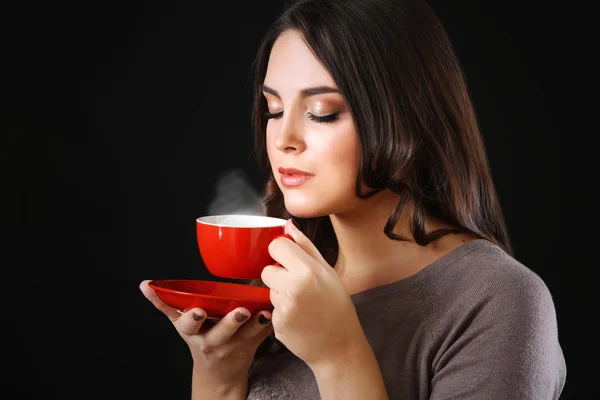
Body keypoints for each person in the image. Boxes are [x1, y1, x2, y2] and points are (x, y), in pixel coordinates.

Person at [140, 0, 567, 398]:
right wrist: (218, 375)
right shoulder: (275, 282)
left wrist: (338, 356)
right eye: (272, 109)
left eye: (322, 112)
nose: (283, 139)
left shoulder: (496, 300)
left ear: (407, 120)